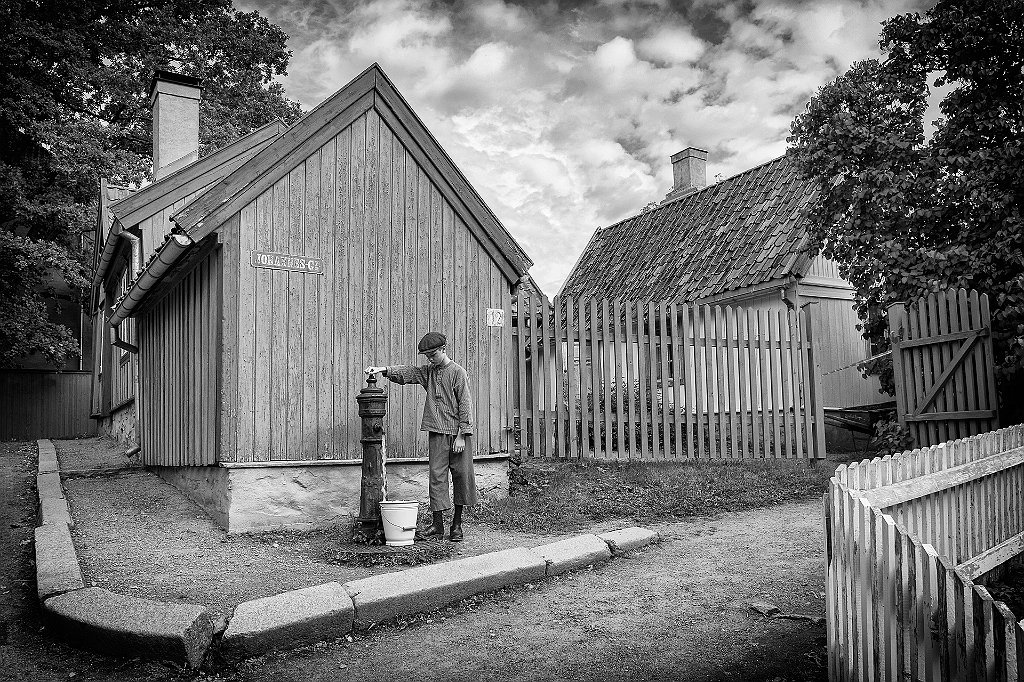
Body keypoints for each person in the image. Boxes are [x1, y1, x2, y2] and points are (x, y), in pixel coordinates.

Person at [365, 331, 476, 541]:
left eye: (433, 354)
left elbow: (466, 405)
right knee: (437, 478)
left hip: (458, 435)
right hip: (437, 433)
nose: (430, 359)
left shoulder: (458, 373)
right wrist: (383, 370)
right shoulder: (429, 372)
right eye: (427, 356)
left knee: (462, 477)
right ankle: (438, 525)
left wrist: (462, 435)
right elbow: (409, 373)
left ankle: (457, 525)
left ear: (443, 349)